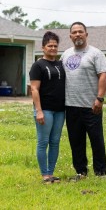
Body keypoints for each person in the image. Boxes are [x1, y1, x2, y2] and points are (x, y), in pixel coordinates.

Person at [61, 22, 106, 180]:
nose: (77, 34)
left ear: (86, 34)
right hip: (71, 106)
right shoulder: (66, 54)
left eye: (80, 31)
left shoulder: (96, 53)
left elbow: (103, 74)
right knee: (76, 141)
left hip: (91, 106)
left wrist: (99, 99)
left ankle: (101, 172)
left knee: (96, 139)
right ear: (70, 36)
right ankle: (80, 171)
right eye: (74, 32)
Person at [29, 31, 66, 184]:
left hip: (60, 110)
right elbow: (34, 89)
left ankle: (51, 173)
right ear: (43, 47)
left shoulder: (60, 64)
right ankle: (45, 175)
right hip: (45, 110)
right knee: (43, 142)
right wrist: (38, 111)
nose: (53, 48)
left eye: (55, 46)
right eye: (49, 45)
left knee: (55, 141)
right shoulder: (38, 65)